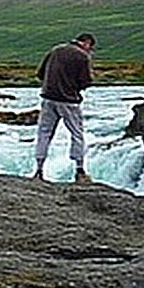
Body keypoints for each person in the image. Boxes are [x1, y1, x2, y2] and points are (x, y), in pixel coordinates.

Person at [34, 32, 96, 181]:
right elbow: (87, 81)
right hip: (69, 101)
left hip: (48, 98)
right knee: (77, 134)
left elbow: (40, 74)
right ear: (86, 43)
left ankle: (39, 170)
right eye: (90, 48)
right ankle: (80, 170)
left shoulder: (55, 50)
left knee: (44, 133)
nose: (90, 51)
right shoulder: (82, 56)